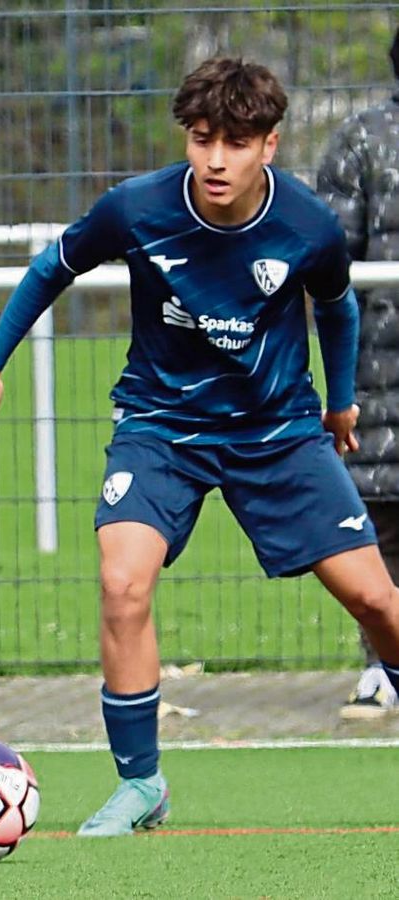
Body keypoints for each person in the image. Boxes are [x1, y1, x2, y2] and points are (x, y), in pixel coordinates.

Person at [0, 56, 399, 836]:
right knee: (122, 582)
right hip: (160, 428)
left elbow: (335, 307)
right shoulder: (136, 208)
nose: (216, 160)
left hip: (276, 434)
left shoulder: (307, 225)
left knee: (373, 599)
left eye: (235, 142)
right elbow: (50, 269)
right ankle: (140, 786)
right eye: (202, 140)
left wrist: (339, 403)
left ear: (269, 143)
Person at [316, 26, 399, 720]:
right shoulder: (363, 141)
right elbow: (329, 257)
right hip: (377, 366)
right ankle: (380, 668)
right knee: (377, 518)